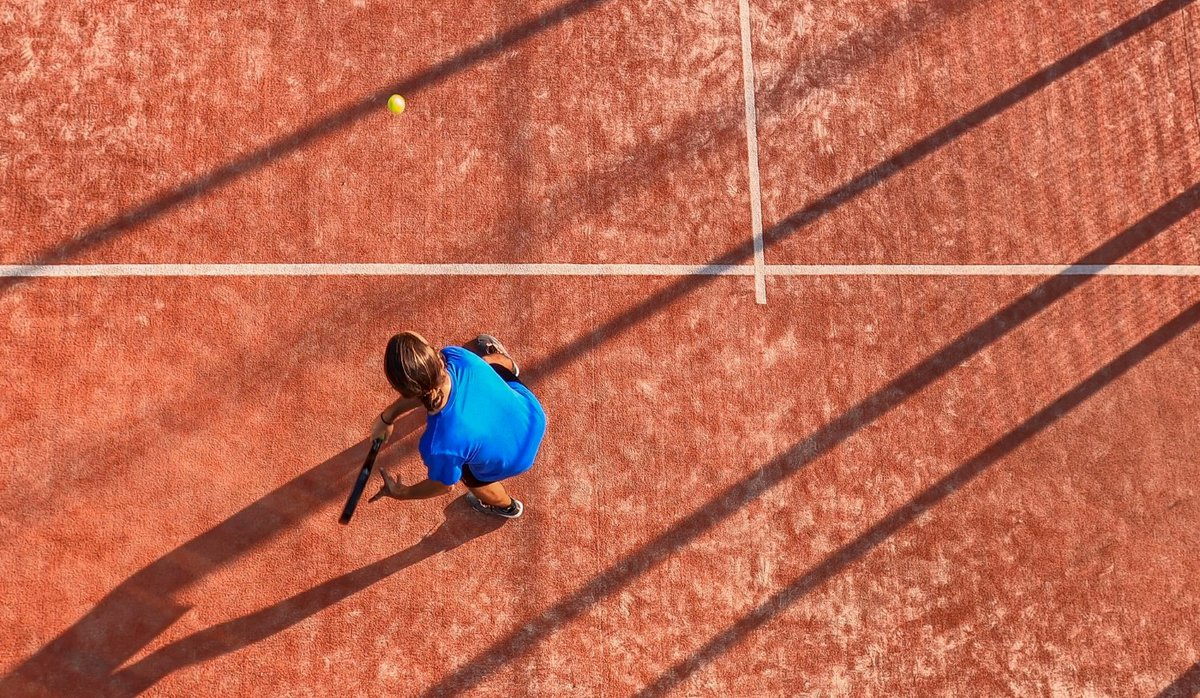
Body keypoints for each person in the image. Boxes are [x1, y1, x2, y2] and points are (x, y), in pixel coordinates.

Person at [367, 332, 546, 518]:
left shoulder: (438, 445)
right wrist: (387, 416)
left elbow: (444, 486)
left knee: (470, 478)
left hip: (515, 462)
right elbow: (426, 384)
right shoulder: (458, 356)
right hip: (534, 416)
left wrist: (401, 493)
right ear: (437, 357)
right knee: (489, 364)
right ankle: (511, 366)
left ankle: (508, 508)